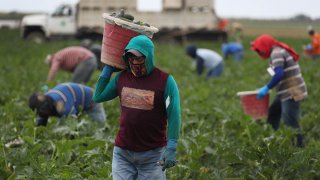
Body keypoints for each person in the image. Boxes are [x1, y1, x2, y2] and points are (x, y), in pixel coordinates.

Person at [92, 35, 181, 179]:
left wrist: (172, 145)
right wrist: (107, 70)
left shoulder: (165, 81)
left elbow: (174, 113)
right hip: (123, 153)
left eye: (139, 58)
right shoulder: (122, 78)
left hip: (153, 154)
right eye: (130, 58)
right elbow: (98, 96)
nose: (134, 62)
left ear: (149, 56)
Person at [251, 34, 308, 147]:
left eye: (260, 50)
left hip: (292, 91)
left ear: (265, 46)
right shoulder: (276, 51)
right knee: (273, 113)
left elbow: (279, 74)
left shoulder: (276, 53)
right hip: (285, 91)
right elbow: (277, 74)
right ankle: (270, 140)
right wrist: (269, 86)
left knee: (290, 121)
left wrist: (267, 87)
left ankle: (300, 148)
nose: (260, 53)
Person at [29, 82, 106, 126]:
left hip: (91, 99)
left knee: (100, 125)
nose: (43, 113)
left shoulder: (62, 103)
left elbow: (73, 123)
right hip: (77, 101)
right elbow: (41, 123)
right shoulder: (45, 105)